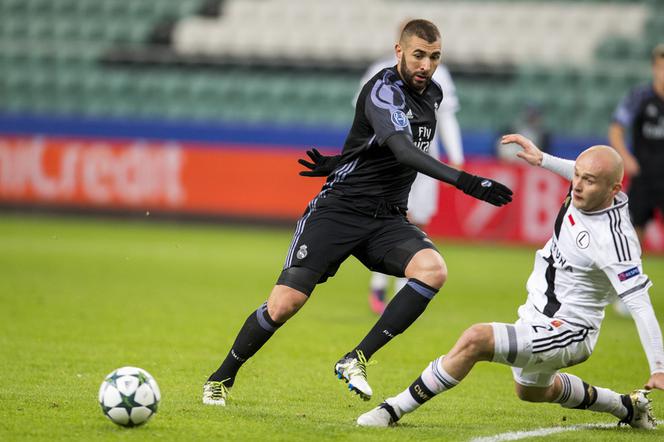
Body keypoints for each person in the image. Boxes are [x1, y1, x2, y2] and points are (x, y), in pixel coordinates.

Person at [202, 19, 513, 406]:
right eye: (418, 55)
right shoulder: (383, 90)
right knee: (285, 304)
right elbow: (402, 150)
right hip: (340, 210)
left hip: (386, 218)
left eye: (434, 57)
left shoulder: (432, 94)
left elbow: (375, 142)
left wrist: (340, 160)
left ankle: (356, 358)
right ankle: (220, 378)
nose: (426, 65)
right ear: (399, 51)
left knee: (433, 270)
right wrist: (465, 181)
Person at [356, 134, 663, 429]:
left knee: (476, 340)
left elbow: (640, 305)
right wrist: (542, 159)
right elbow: (584, 171)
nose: (577, 186)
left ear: (614, 189)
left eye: (588, 181)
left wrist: (659, 368)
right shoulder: (588, 189)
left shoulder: (615, 240)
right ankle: (625, 406)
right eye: (577, 176)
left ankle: (392, 409)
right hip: (536, 311)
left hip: (569, 330)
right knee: (531, 391)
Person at [356, 32, 465, 315]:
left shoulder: (440, 77)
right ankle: (380, 283)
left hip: (425, 160)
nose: (424, 60)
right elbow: (363, 114)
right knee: (393, 217)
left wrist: (456, 156)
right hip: (388, 160)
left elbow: (446, 115)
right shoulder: (378, 73)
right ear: (400, 47)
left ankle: (401, 289)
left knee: (417, 220)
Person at [608, 43, 664, 245]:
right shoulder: (640, 97)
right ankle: (631, 275)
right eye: (661, 67)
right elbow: (616, 128)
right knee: (633, 234)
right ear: (654, 69)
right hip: (643, 174)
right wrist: (625, 157)